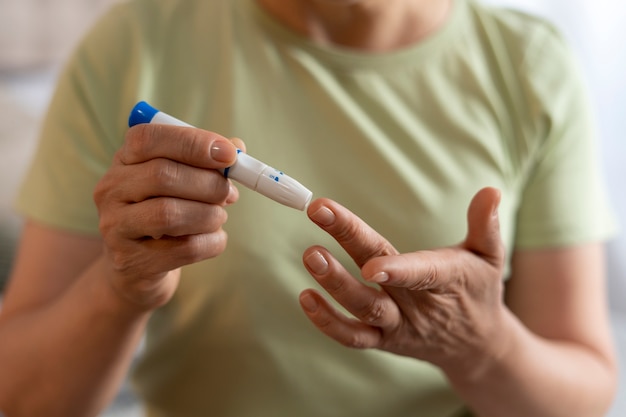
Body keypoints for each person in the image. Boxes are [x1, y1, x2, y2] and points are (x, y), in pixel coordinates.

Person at [0, 0, 619, 416]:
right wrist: (121, 288)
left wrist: (482, 347)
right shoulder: (135, 44)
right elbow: (21, 395)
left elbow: (587, 395)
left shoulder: (527, 65)